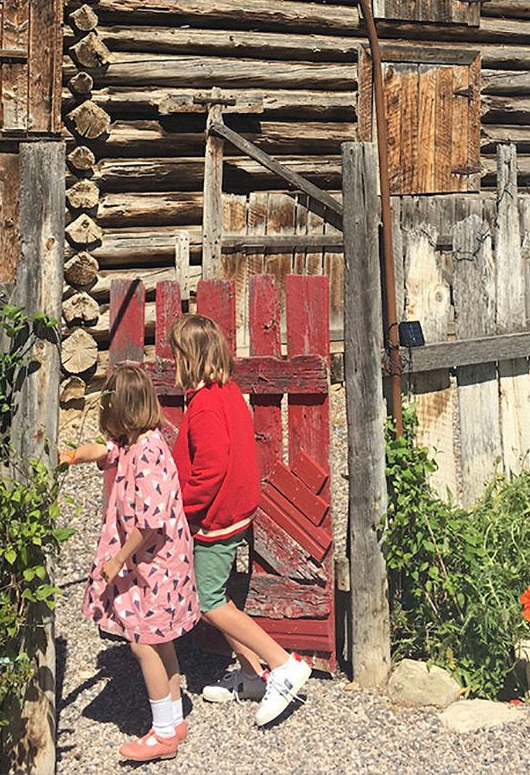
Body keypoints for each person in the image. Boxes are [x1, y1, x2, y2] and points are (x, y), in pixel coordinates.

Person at [169, 312, 311, 726]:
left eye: (177, 355)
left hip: (215, 519)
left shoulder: (205, 407)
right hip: (230, 513)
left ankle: (283, 665)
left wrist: (182, 511)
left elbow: (210, 471)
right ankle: (252, 676)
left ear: (190, 358)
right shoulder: (224, 391)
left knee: (209, 603)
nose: (173, 362)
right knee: (216, 594)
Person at [61, 362, 200, 762]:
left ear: (119, 408)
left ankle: (161, 735)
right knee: (162, 640)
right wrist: (71, 456)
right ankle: (173, 719)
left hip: (155, 566)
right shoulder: (134, 443)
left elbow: (150, 523)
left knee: (143, 644)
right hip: (155, 566)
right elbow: (102, 451)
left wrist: (116, 560)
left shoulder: (148, 454)